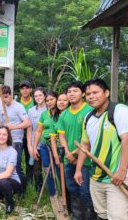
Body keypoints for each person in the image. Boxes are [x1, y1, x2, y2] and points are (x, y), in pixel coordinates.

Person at [74, 79, 128, 220]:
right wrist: (78, 169)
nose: (91, 96)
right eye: (88, 94)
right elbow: (85, 145)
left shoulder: (119, 111)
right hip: (96, 177)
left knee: (117, 216)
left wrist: (122, 172)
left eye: (95, 92)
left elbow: (126, 140)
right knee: (101, 214)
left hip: (116, 177)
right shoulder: (89, 117)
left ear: (106, 93)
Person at [57, 81, 95, 220]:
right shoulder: (64, 114)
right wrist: (68, 152)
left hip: (86, 160)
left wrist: (77, 153)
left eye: (75, 91)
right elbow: (61, 135)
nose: (71, 94)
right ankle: (77, 217)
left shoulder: (89, 111)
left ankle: (91, 217)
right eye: (69, 92)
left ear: (83, 93)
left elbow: (90, 137)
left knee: (85, 191)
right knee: (72, 189)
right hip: (69, 159)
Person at [1, 85, 30, 198]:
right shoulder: (3, 107)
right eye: (3, 97)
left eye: (7, 97)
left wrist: (13, 127)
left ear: (11, 95)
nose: (5, 100)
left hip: (16, 141)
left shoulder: (18, 107)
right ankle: (11, 189)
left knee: (16, 166)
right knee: (7, 167)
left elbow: (27, 123)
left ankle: (22, 191)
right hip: (6, 142)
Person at [33, 91, 60, 197]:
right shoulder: (44, 114)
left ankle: (63, 194)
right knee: (47, 169)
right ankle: (53, 194)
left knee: (59, 169)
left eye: (51, 99)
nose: (49, 102)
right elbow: (39, 131)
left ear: (56, 99)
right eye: (47, 100)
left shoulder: (62, 113)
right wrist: (35, 147)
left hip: (58, 146)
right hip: (45, 145)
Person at [27, 87, 47, 190]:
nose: (38, 97)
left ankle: (53, 190)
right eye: (35, 96)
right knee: (37, 169)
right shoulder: (31, 111)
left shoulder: (50, 109)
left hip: (48, 144)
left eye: (40, 95)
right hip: (35, 145)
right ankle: (39, 190)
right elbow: (29, 129)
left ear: (44, 96)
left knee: (49, 168)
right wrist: (30, 145)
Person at [19, 80, 34, 187]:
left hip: (32, 134)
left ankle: (30, 179)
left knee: (30, 157)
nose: (25, 90)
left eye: (27, 88)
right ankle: (20, 178)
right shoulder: (16, 102)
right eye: (22, 88)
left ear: (30, 89)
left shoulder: (36, 102)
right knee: (18, 158)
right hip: (18, 134)